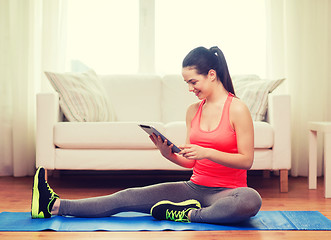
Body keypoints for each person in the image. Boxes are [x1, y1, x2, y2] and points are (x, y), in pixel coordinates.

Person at [31, 46, 262, 224]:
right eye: (187, 83)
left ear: (212, 75)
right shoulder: (193, 111)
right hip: (193, 188)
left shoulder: (237, 109)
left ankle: (187, 215)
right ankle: (53, 205)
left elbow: (246, 160)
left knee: (251, 200)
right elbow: (191, 162)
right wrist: (167, 154)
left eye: (193, 81)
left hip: (228, 194)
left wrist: (207, 152)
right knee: (126, 197)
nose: (190, 88)